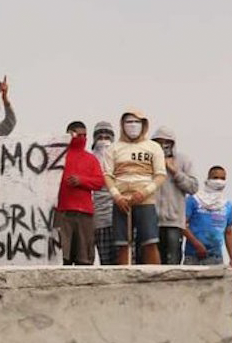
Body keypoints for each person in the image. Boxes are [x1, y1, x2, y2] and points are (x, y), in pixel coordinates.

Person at [102, 109, 167, 265]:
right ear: (122, 125)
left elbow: (160, 175)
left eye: (137, 122)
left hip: (145, 199)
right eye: (129, 122)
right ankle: (124, 279)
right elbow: (107, 175)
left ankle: (154, 278)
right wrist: (116, 196)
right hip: (121, 200)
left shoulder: (153, 147)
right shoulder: (113, 149)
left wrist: (144, 192)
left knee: (150, 242)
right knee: (122, 245)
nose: (132, 125)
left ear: (143, 124)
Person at [55, 122, 105, 266]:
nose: (82, 138)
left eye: (85, 135)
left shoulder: (91, 159)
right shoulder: (59, 157)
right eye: (78, 134)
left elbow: (99, 182)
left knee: (84, 257)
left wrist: (81, 180)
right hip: (63, 212)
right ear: (69, 134)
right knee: (62, 256)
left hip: (85, 213)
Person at [151, 126, 199, 265]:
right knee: (153, 264)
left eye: (166, 142)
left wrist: (175, 172)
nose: (163, 145)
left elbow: (193, 187)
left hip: (174, 222)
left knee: (173, 262)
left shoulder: (183, 160)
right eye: (158, 142)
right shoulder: (148, 162)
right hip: (152, 222)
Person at [184, 166, 232, 268]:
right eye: (215, 178)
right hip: (193, 256)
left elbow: (228, 232)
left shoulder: (227, 205)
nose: (219, 181)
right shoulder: (194, 200)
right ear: (208, 179)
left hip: (215, 257)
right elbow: (182, 225)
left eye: (222, 178)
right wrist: (197, 244)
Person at [89, 122, 117, 265]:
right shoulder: (89, 159)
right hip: (99, 220)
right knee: (106, 263)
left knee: (124, 263)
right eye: (100, 135)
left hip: (120, 218)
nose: (103, 138)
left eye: (107, 135)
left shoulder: (119, 157)